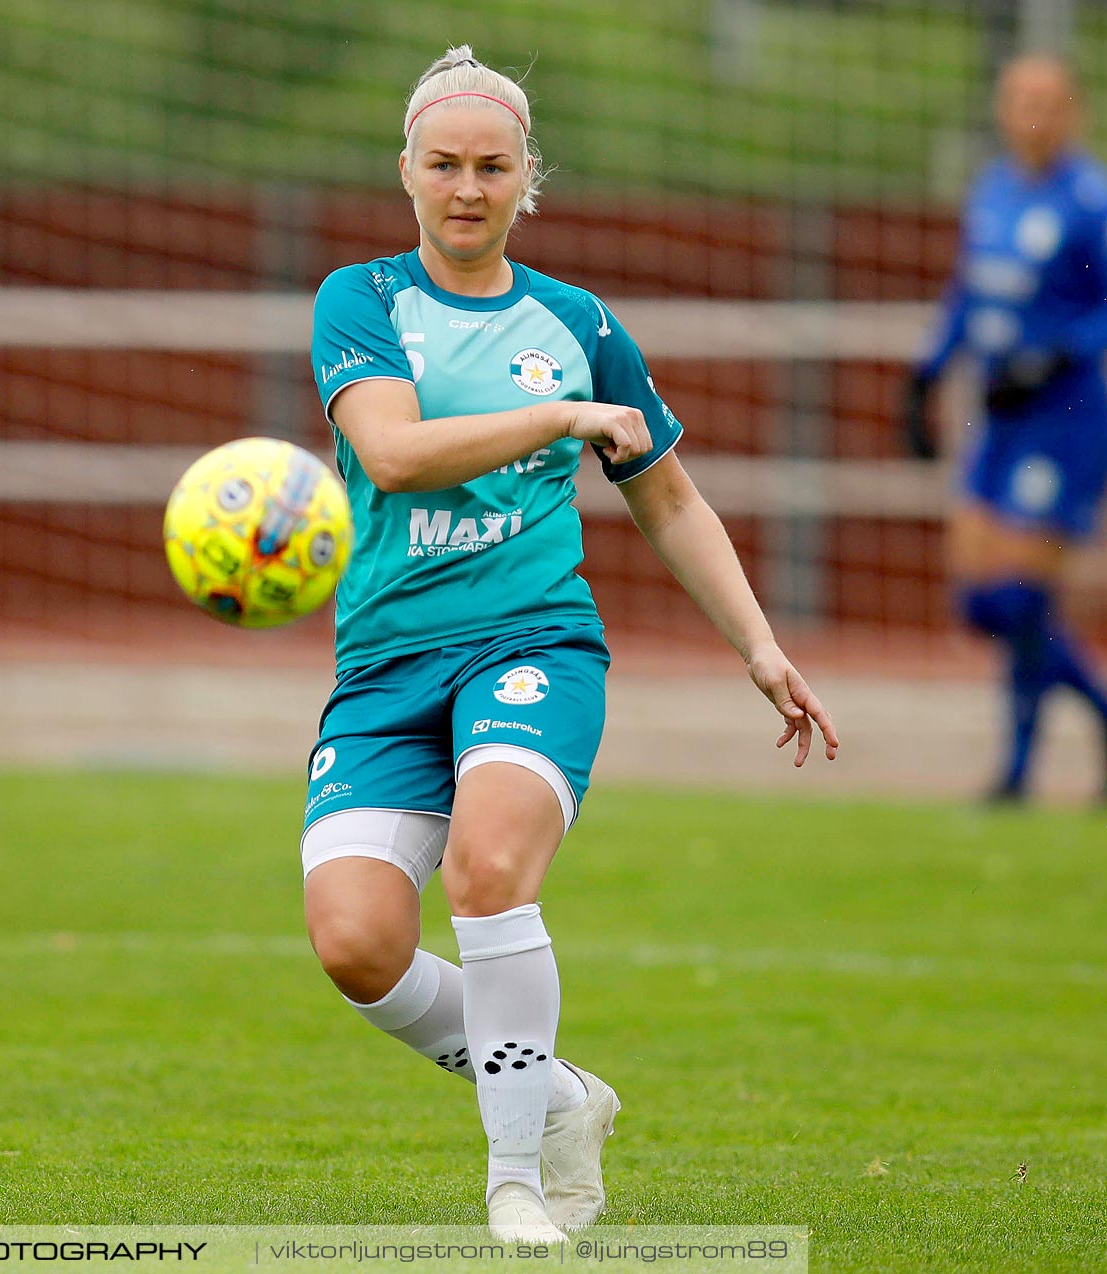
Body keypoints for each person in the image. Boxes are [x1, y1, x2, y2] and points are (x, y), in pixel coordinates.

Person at [304, 46, 838, 1240]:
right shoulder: (363, 300)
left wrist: (759, 645)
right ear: (407, 169)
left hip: (532, 643)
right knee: (353, 941)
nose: (467, 187)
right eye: (443, 164)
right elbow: (391, 452)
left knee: (489, 867)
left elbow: (670, 498)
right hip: (386, 665)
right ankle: (554, 1091)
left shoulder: (579, 323)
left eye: (493, 166)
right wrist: (557, 416)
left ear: (526, 176)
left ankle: (516, 1182)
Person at [904, 54, 1107, 802]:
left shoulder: (1090, 199)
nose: (1033, 114)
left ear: (1074, 111)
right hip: (996, 413)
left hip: (1065, 419)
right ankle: (1064, 737)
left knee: (1022, 598)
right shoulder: (993, 192)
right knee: (984, 602)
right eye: (1020, 98)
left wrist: (1058, 357)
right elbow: (967, 293)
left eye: (1049, 101)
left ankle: (1018, 773)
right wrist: (926, 375)